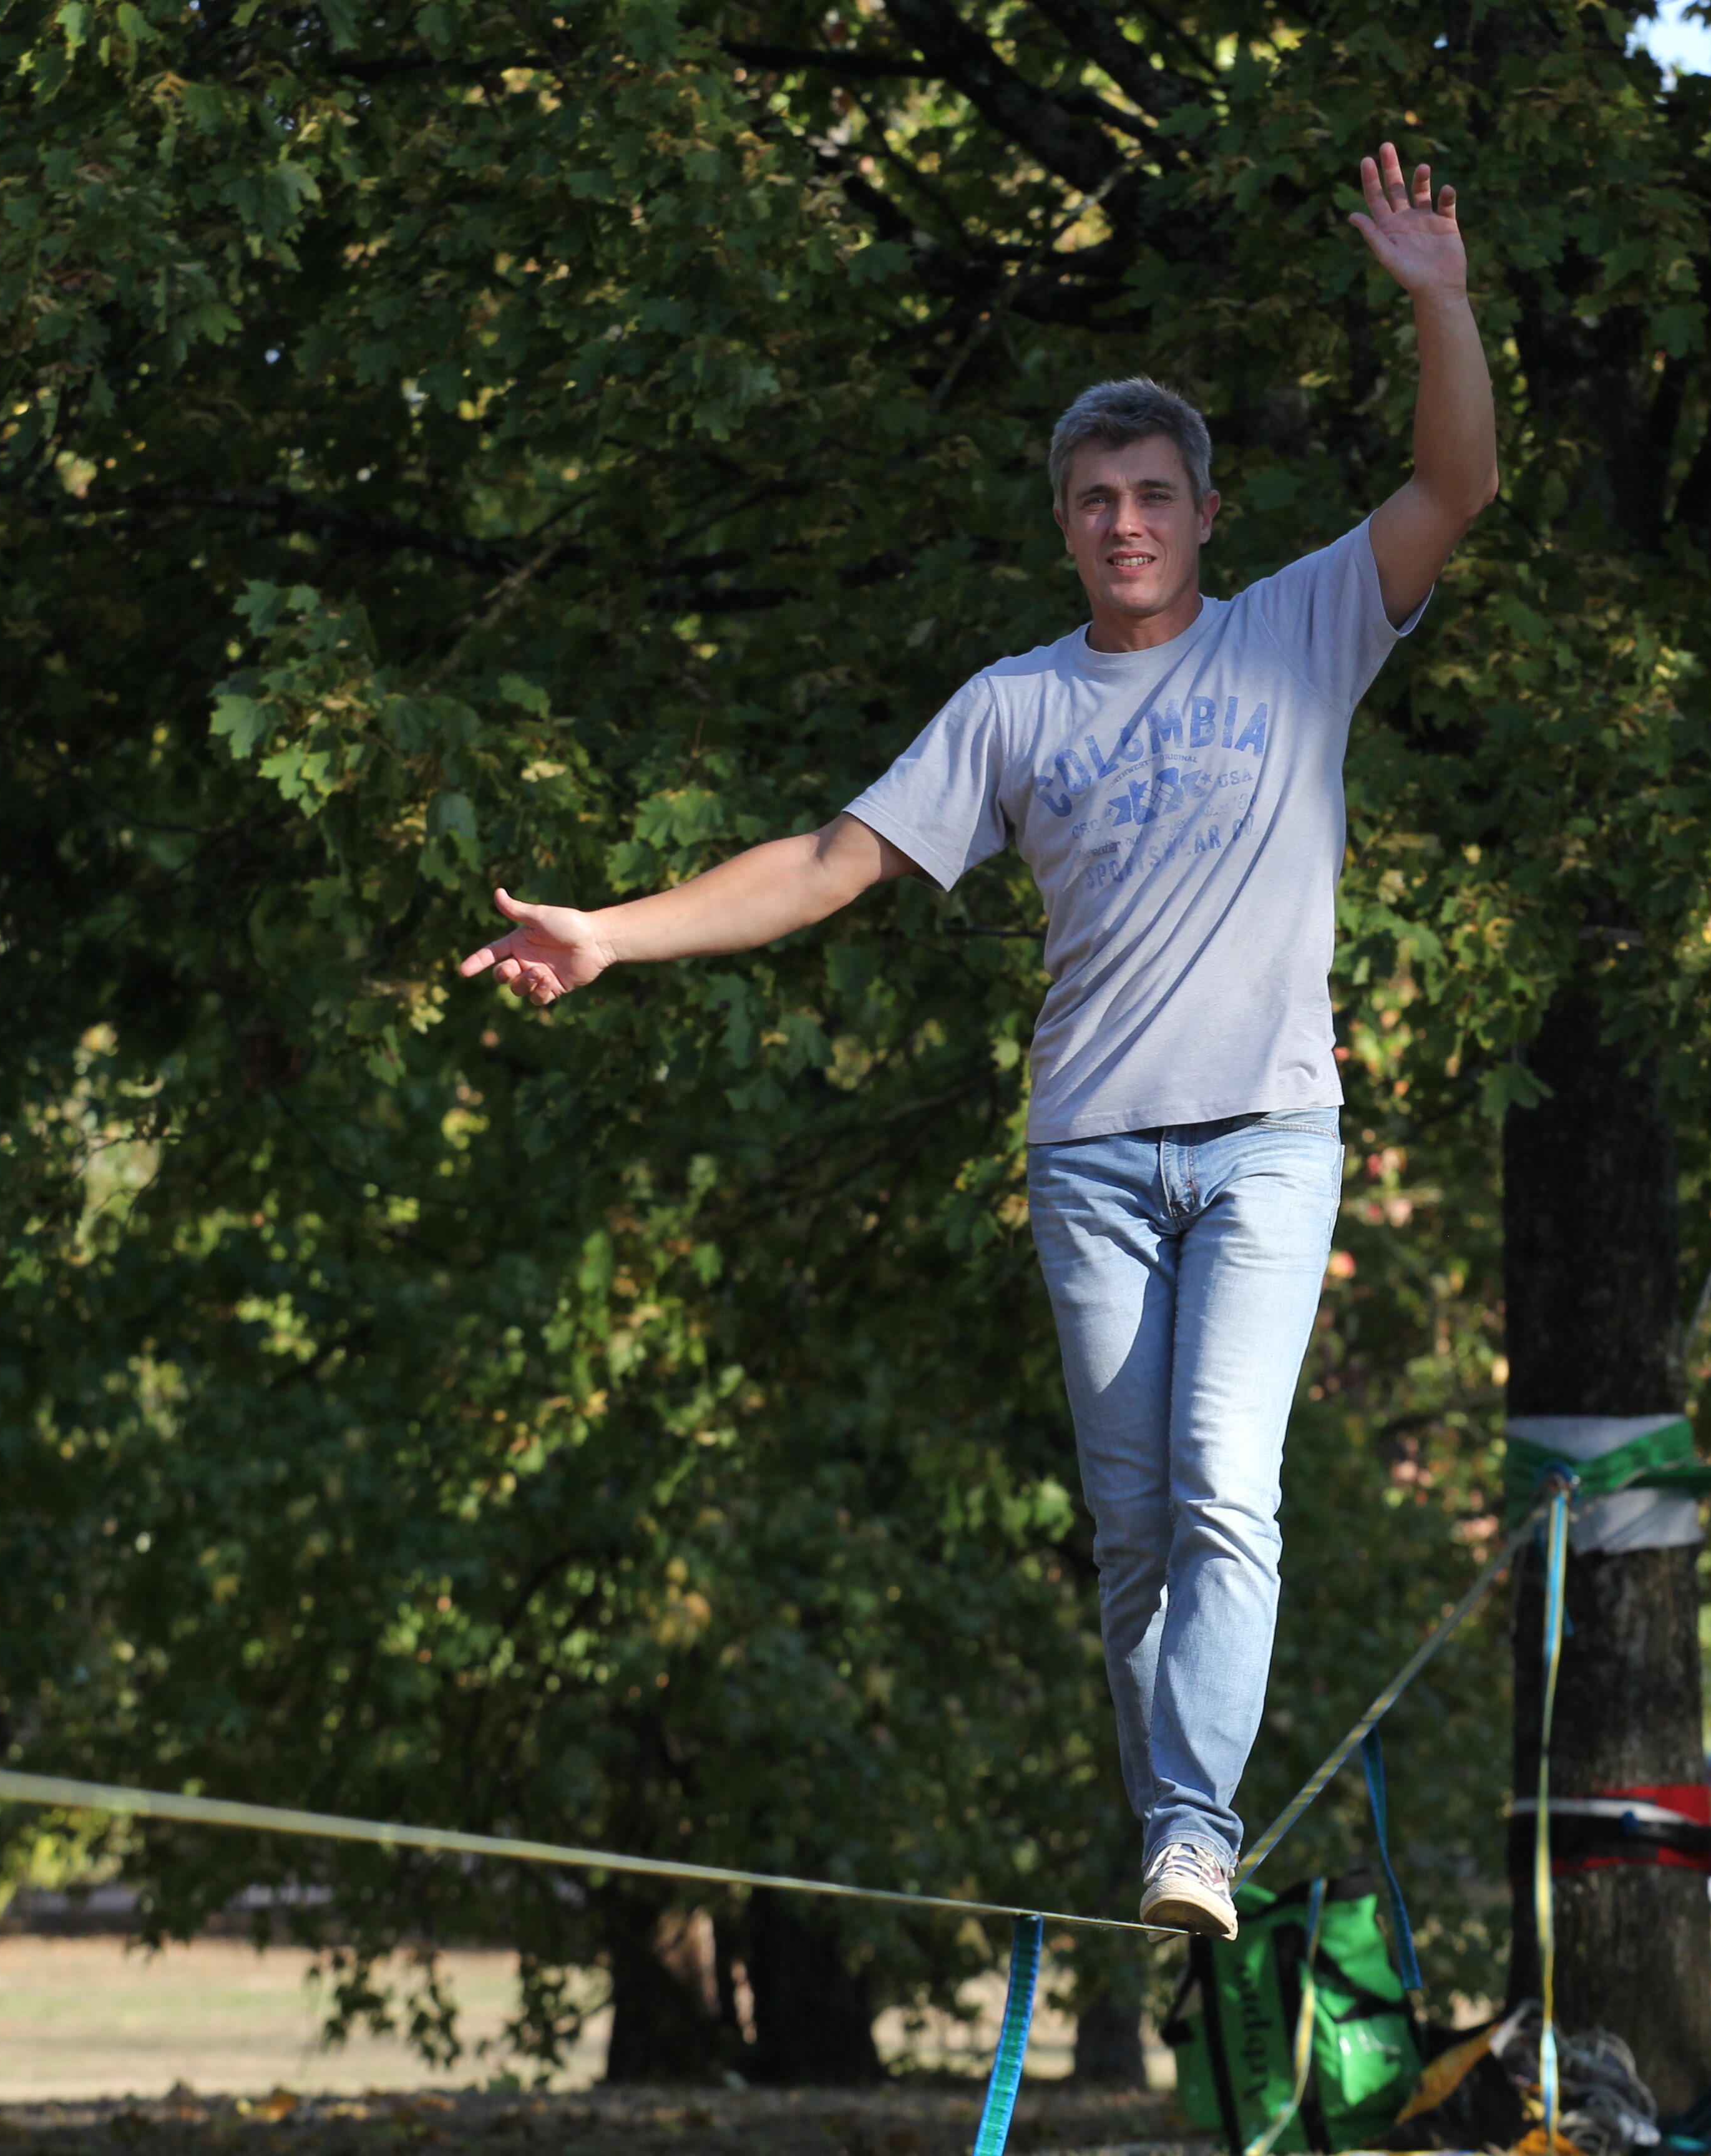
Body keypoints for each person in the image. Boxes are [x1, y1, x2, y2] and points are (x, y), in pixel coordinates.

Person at [456, 144, 1496, 1940]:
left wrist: (1441, 298)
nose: (1125, 524)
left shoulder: (1302, 631)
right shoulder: (1014, 705)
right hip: (1091, 1157)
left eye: (1153, 495)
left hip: (1266, 1140)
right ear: (1065, 527)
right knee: (1135, 1535)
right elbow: (827, 862)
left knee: (1224, 1489)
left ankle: (1195, 1830)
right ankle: (1172, 1834)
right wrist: (611, 932)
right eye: (1095, 502)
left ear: (1206, 513)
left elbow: (1456, 482)